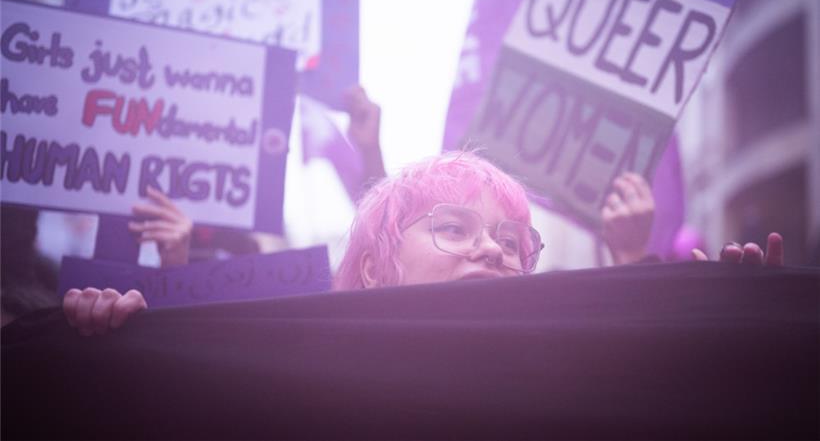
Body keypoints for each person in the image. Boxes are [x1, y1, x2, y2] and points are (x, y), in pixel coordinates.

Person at [62, 151, 785, 335]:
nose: (493, 250)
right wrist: (121, 338)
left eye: (511, 240)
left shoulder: (567, 380)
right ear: (374, 268)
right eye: (453, 228)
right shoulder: (304, 383)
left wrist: (733, 330)